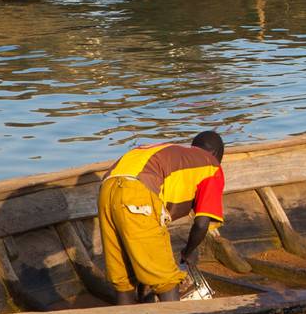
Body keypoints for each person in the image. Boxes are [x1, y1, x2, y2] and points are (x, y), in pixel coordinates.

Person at [97, 130, 226, 305]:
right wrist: (188, 252)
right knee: (167, 280)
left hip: (107, 188)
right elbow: (202, 223)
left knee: (124, 279)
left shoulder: (175, 152)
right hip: (137, 193)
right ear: (216, 154)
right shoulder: (211, 164)